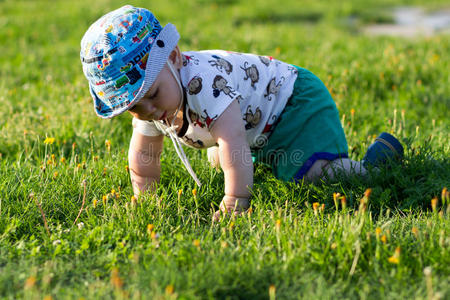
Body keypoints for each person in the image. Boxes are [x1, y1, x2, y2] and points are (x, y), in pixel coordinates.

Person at [80, 5, 403, 218]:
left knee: (313, 176)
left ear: (175, 57)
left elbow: (234, 143)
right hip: (259, 124)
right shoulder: (153, 105)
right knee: (221, 156)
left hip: (294, 105)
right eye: (133, 107)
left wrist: (235, 202)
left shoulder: (205, 85)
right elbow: (144, 155)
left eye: (151, 95)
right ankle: (268, 157)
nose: (149, 110)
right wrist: (145, 199)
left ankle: (372, 164)